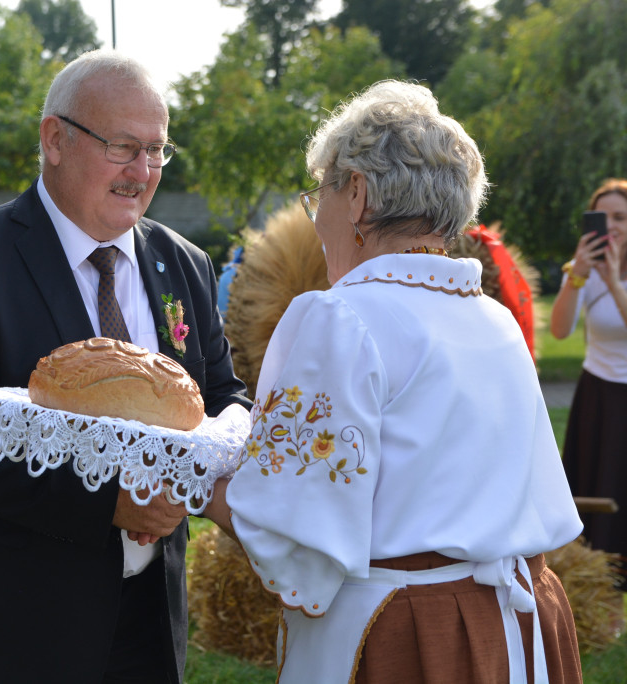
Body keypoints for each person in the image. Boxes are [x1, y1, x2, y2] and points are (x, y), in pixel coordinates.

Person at [203, 80, 584, 683]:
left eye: (317, 194)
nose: (316, 217)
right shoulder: (495, 320)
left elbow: (293, 526)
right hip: (518, 626)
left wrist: (186, 473)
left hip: (406, 635)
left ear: (354, 193)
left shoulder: (342, 316)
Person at [0, 49, 251, 684]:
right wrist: (107, 505)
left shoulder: (183, 263)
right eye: (122, 147)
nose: (142, 171)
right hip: (8, 627)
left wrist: (214, 478)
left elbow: (223, 400)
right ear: (54, 139)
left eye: (157, 151)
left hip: (145, 625)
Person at [550, 177, 627, 576]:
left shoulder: (612, 276)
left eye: (621, 217)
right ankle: (603, 587)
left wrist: (614, 282)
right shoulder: (580, 268)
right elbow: (560, 330)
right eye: (604, 217)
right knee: (596, 484)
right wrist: (578, 274)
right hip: (596, 393)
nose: (612, 226)